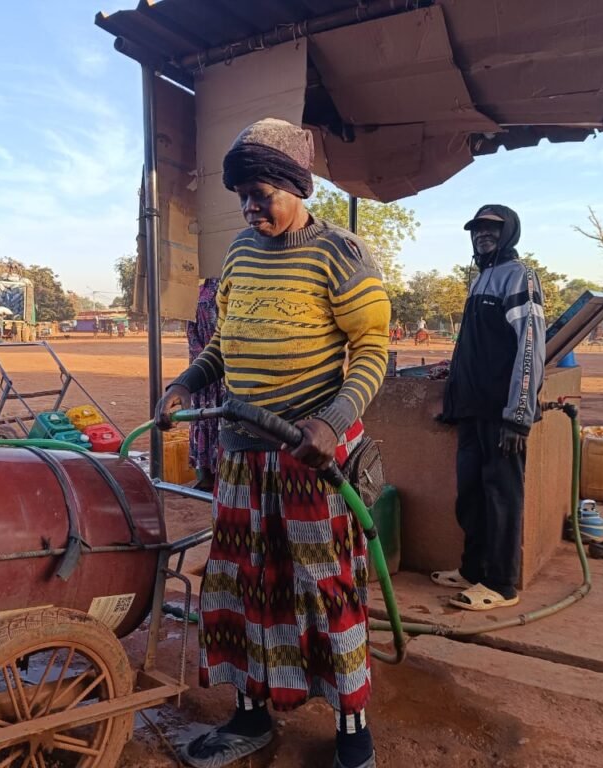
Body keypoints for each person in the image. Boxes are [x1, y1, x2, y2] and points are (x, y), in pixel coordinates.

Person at [155, 118, 390, 768]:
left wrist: (331, 422)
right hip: (243, 456)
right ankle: (250, 714)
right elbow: (226, 343)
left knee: (324, 588)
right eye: (242, 197)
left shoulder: (340, 252)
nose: (250, 207)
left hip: (310, 458)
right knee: (240, 584)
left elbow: (373, 350)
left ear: (295, 186)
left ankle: (354, 737)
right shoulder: (239, 253)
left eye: (261, 193)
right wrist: (186, 381)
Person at [434, 205, 545, 612]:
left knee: (501, 497)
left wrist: (519, 414)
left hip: (502, 415)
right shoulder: (481, 278)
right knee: (472, 494)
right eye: (478, 229)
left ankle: (501, 583)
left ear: (509, 232)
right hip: (471, 411)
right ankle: (473, 569)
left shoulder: (520, 277)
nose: (483, 235)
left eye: (492, 230)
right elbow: (471, 350)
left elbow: (530, 345)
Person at [186, 278, 226, 491]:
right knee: (203, 419)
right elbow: (190, 329)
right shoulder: (196, 292)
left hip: (226, 369)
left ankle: (223, 473)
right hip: (203, 371)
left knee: (222, 418)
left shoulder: (232, 286)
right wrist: (202, 359)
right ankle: (206, 474)